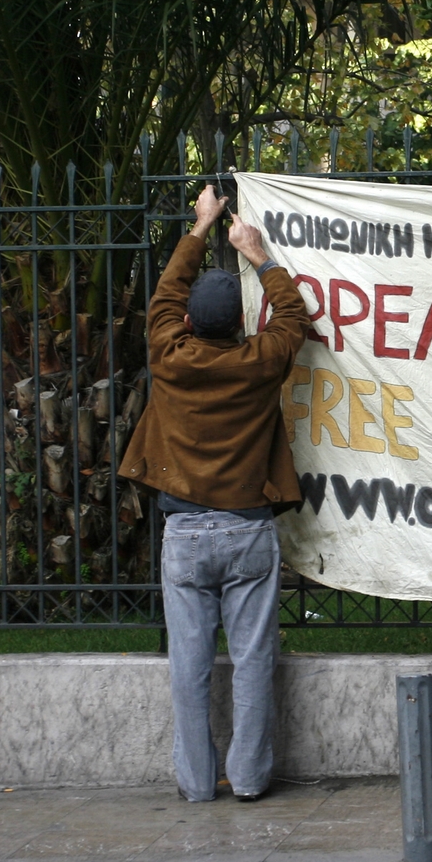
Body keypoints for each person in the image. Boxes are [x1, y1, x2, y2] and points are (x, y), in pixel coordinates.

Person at [118, 185, 307, 804]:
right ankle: (249, 779)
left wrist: (200, 227)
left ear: (191, 322)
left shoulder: (169, 354)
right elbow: (295, 316)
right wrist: (258, 254)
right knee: (253, 662)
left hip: (185, 533)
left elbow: (166, 295)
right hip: (249, 530)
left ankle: (198, 784)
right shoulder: (260, 359)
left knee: (188, 668)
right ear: (242, 322)